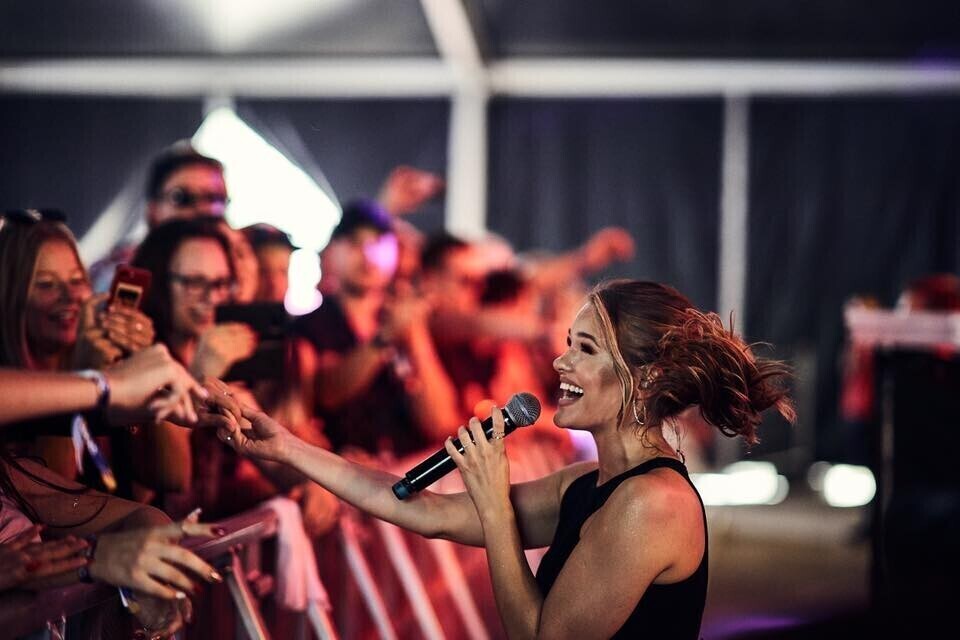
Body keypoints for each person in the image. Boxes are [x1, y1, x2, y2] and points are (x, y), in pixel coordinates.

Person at [202, 279, 794, 638]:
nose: (560, 363)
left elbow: (541, 635)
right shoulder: (586, 484)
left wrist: (494, 508)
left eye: (585, 349)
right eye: (567, 344)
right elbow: (424, 510)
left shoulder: (653, 503)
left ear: (647, 378)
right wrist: (286, 446)